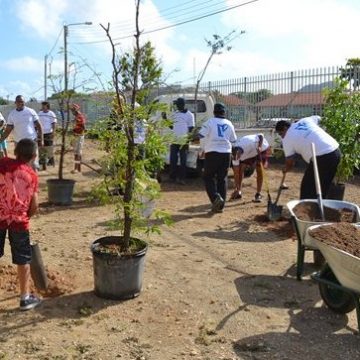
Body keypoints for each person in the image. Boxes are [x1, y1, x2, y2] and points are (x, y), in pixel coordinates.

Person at [0, 139, 41, 311]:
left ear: (15, 151)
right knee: (23, 258)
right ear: (34, 155)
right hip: (19, 221)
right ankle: (25, 298)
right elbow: (34, 206)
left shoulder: (2, 163)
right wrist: (24, 215)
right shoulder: (32, 175)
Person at [275, 118, 340, 199]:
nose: (281, 136)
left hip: (321, 157)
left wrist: (286, 169)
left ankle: (307, 210)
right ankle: (319, 209)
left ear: (285, 128)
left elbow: (290, 162)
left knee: (307, 189)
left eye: (281, 134)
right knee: (323, 186)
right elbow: (320, 118)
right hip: (335, 151)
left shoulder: (287, 139)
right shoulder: (304, 120)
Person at [198, 103, 237, 213]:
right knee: (222, 179)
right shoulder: (229, 123)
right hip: (226, 153)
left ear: (214, 112)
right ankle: (220, 206)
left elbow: (201, 135)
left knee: (208, 177)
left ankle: (215, 198)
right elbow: (233, 140)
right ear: (224, 112)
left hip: (212, 153)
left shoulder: (209, 122)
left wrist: (193, 134)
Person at [0, 95, 43, 169]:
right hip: (19, 143)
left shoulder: (31, 111)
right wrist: (1, 140)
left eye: (22, 102)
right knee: (20, 165)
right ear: (15, 103)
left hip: (31, 141)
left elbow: (39, 125)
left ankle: (33, 179)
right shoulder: (12, 114)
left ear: (24, 102)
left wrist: (41, 139)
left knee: (33, 165)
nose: (20, 103)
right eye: (18, 101)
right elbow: (8, 130)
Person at [230, 133, 271, 202]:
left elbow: (261, 135)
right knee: (240, 169)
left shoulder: (248, 142)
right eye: (235, 157)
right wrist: (236, 188)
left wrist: (260, 146)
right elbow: (236, 173)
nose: (237, 158)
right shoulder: (235, 157)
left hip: (261, 149)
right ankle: (239, 191)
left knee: (259, 170)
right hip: (250, 154)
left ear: (239, 152)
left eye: (238, 156)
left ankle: (258, 194)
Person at [167, 97, 195, 185]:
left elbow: (191, 128)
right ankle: (172, 177)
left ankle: (182, 178)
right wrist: (165, 119)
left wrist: (188, 139)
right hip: (174, 140)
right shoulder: (175, 113)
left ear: (181, 104)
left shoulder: (189, 115)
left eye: (177, 104)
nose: (176, 106)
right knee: (173, 160)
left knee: (183, 161)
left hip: (184, 141)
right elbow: (172, 126)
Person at [38, 101, 57, 166]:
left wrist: (53, 132)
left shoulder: (51, 114)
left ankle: (51, 161)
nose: (42, 107)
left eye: (44, 105)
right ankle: (42, 161)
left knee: (49, 147)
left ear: (47, 106)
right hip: (41, 133)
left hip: (48, 133)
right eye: (42, 105)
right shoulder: (40, 113)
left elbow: (54, 123)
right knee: (41, 147)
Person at [70, 103, 86, 173]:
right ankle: (78, 168)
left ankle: (76, 168)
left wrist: (76, 123)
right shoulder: (76, 117)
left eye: (73, 110)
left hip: (79, 136)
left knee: (78, 153)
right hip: (76, 136)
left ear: (75, 110)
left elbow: (83, 127)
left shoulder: (80, 117)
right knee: (77, 153)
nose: (72, 112)